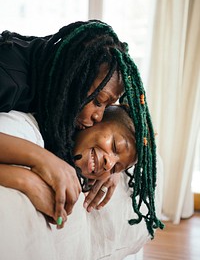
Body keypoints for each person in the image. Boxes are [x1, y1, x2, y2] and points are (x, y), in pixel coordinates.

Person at [0, 20, 163, 237]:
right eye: (98, 101)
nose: (98, 116)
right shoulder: (10, 78)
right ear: (74, 75)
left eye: (107, 107)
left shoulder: (56, 94)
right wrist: (28, 175)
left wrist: (113, 168)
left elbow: (121, 122)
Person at [0, 105, 137, 226]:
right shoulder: (23, 129)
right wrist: (26, 181)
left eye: (115, 168)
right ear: (93, 121)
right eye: (114, 145)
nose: (109, 164)